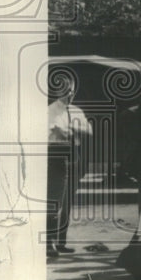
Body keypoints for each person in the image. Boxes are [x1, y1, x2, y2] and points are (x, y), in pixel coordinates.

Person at [47, 81, 92, 258]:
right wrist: (67, 132)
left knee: (67, 202)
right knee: (55, 200)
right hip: (57, 155)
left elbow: (89, 130)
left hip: (74, 154)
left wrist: (71, 128)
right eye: (65, 91)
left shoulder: (76, 110)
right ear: (57, 91)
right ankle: (49, 243)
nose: (69, 94)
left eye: (71, 91)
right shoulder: (50, 111)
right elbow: (53, 134)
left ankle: (61, 242)